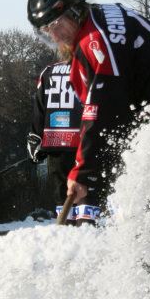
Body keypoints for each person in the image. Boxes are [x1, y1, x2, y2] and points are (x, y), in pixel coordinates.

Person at [26, 0, 150, 299]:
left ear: (73, 12)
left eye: (54, 24)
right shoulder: (94, 24)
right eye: (44, 29)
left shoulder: (96, 42)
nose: (51, 34)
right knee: (137, 194)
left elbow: (103, 112)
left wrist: (83, 172)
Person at [28, 61, 91, 223]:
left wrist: (35, 138)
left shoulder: (49, 71)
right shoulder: (90, 65)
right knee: (87, 195)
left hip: (56, 143)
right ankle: (87, 233)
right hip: (85, 142)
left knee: (62, 195)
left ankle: (65, 233)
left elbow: (39, 108)